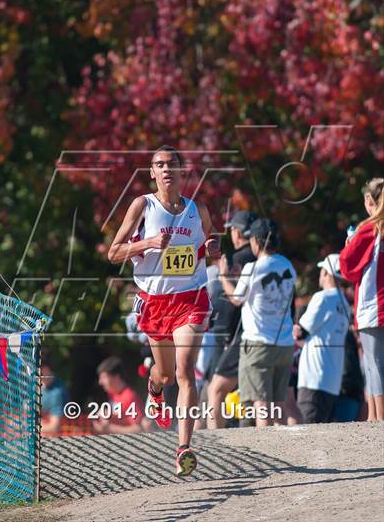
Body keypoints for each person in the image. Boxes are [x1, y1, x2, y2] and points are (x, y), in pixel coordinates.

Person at [107, 145, 220, 476]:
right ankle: (155, 388)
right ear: (152, 173)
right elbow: (114, 253)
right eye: (160, 165)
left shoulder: (198, 209)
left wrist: (213, 249)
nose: (167, 169)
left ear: (183, 171)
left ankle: (184, 447)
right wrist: (147, 243)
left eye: (173, 164)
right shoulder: (143, 205)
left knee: (185, 372)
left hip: (190, 297)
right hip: (156, 302)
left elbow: (209, 246)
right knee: (167, 374)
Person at [220, 218, 296, 427]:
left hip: (258, 344)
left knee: (261, 406)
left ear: (255, 241)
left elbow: (236, 299)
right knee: (278, 406)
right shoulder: (288, 265)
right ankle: (285, 451)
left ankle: (270, 456)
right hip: (285, 344)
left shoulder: (253, 268)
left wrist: (223, 276)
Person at [206, 210, 257, 429]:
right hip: (260, 337)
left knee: (215, 391)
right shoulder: (262, 259)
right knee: (253, 396)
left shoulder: (234, 261)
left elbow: (227, 303)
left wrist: (221, 331)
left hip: (233, 336)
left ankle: (214, 446)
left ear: (236, 232)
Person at [340, 178, 384, 421]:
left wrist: (349, 244)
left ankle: (379, 418)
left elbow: (347, 266)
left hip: (374, 306)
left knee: (375, 365)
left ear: (369, 201)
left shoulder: (370, 228)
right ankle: (374, 417)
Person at [293, 254, 350, 423]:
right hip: (333, 382)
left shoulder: (322, 298)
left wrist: (295, 330)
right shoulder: (345, 304)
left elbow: (301, 332)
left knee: (309, 436)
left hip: (313, 379)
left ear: (326, 273)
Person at [93, 356, 145, 434]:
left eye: (104, 377)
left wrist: (110, 429)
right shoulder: (112, 393)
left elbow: (140, 429)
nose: (100, 382)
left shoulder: (130, 397)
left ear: (117, 377)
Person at [41, 359, 69, 435]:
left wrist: (29, 427)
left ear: (46, 369)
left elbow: (54, 427)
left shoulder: (57, 393)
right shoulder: (36, 386)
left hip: (60, 435)